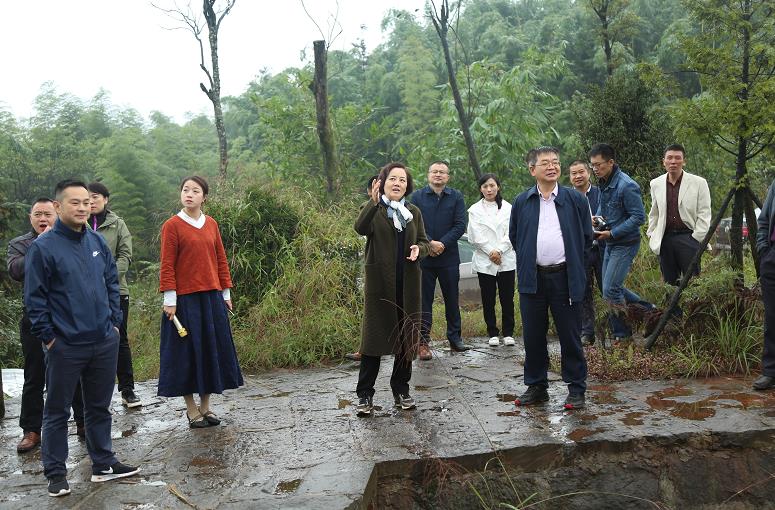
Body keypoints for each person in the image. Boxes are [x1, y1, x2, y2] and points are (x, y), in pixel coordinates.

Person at [24, 180, 140, 497]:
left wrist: (114, 325)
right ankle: (56, 473)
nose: (82, 207)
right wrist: (50, 338)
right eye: (74, 202)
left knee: (99, 407)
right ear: (58, 206)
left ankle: (103, 463)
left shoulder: (96, 241)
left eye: (86, 202)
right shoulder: (43, 248)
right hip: (65, 345)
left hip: (103, 340)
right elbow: (35, 300)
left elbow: (111, 282)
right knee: (57, 411)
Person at [509, 147, 592, 409]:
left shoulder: (575, 200)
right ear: (532, 169)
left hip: (565, 277)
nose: (552, 167)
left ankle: (576, 388)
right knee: (533, 336)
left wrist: (575, 267)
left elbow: (586, 238)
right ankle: (537, 386)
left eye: (555, 162)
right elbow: (515, 237)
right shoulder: (522, 201)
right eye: (545, 163)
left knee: (570, 335)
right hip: (532, 278)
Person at [158, 176, 243, 428]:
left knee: (210, 351)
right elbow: (167, 264)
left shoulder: (211, 224)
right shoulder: (172, 225)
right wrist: (170, 299)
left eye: (195, 191)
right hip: (184, 301)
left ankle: (206, 406)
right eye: (185, 190)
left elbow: (220, 259)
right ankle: (191, 408)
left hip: (211, 298)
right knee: (186, 354)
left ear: (204, 197)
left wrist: (225, 293)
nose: (189, 194)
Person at [354, 162, 429, 416]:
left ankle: (401, 390)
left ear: (408, 186)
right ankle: (365, 394)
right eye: (392, 179)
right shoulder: (374, 209)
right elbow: (360, 228)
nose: (397, 183)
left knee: (406, 340)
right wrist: (373, 203)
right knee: (373, 341)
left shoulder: (413, 212)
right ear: (382, 183)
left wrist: (420, 249)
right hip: (380, 286)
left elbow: (424, 241)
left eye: (402, 180)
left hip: (408, 285)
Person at [589, 143, 655, 346]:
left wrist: (613, 232)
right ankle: (651, 312)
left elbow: (638, 217)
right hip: (610, 242)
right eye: (592, 165)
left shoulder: (627, 185)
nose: (595, 169)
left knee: (610, 289)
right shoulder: (604, 181)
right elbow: (605, 209)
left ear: (611, 162)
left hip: (625, 243)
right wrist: (596, 219)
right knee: (611, 288)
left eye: (598, 165)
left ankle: (623, 335)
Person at [7, 198, 56, 453]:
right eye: (38, 214)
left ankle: (83, 422)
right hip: (35, 317)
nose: (43, 218)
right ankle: (31, 430)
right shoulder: (20, 244)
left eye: (47, 214)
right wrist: (40, 244)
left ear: (57, 215)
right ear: (31, 218)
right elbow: (16, 270)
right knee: (34, 374)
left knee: (76, 371)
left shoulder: (68, 239)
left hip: (66, 316)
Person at [87, 182, 141, 408]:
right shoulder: (78, 224)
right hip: (84, 293)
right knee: (88, 340)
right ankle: (93, 395)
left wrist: (106, 279)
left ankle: (127, 390)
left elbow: (125, 256)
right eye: (87, 197)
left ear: (106, 199)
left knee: (119, 339)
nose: (91, 201)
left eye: (95, 197)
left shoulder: (118, 224)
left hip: (116, 291)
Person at [411, 160, 470, 359]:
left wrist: (442, 244)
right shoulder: (417, 197)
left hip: (449, 257)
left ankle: (455, 339)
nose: (438, 175)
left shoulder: (456, 196)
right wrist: (430, 244)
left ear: (448, 177)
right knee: (424, 302)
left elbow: (460, 225)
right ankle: (422, 342)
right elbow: (414, 224)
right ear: (428, 175)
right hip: (424, 258)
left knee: (452, 299)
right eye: (434, 171)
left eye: (442, 172)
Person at [646, 144, 711, 290]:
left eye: (677, 158)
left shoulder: (699, 183)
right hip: (665, 239)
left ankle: (694, 306)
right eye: (669, 158)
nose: (673, 162)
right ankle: (672, 306)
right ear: (664, 161)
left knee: (693, 284)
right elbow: (654, 213)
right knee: (669, 284)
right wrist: (652, 234)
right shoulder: (656, 184)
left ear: (684, 161)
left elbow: (704, 213)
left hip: (688, 237)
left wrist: (696, 238)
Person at [466, 173, 516, 347]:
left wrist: (499, 250)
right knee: (488, 298)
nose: (489, 189)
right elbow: (475, 236)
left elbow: (512, 232)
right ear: (480, 189)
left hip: (506, 259)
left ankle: (508, 333)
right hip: (485, 260)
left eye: (492, 185)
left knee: (507, 298)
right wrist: (491, 252)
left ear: (498, 187)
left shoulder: (509, 208)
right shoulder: (474, 210)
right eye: (485, 186)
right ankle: (492, 332)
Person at [569, 160, 604, 346]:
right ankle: (587, 332)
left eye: (581, 172)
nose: (578, 176)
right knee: (583, 291)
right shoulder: (567, 198)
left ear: (588, 173)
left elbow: (610, 216)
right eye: (573, 173)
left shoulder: (601, 193)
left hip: (602, 247)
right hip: (580, 250)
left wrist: (597, 221)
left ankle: (618, 331)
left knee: (608, 288)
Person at [346, 175, 378, 363]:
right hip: (374, 267)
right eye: (375, 187)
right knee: (371, 312)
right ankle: (365, 349)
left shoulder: (405, 209)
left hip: (399, 266)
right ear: (369, 191)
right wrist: (374, 202)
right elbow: (361, 227)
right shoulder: (367, 208)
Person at [754, 181, 775, 390]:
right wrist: (764, 250)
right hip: (772, 258)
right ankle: (770, 371)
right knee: (772, 317)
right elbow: (764, 220)